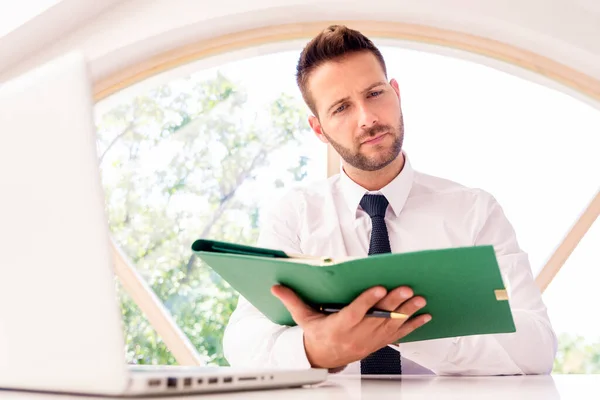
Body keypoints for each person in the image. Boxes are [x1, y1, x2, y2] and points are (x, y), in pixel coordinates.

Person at [222, 24, 557, 375]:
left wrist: (405, 329)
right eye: (341, 108)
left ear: (395, 92)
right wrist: (319, 349)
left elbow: (537, 348)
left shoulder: (474, 211)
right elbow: (243, 340)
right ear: (318, 129)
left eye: (374, 93)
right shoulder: (295, 215)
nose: (368, 119)